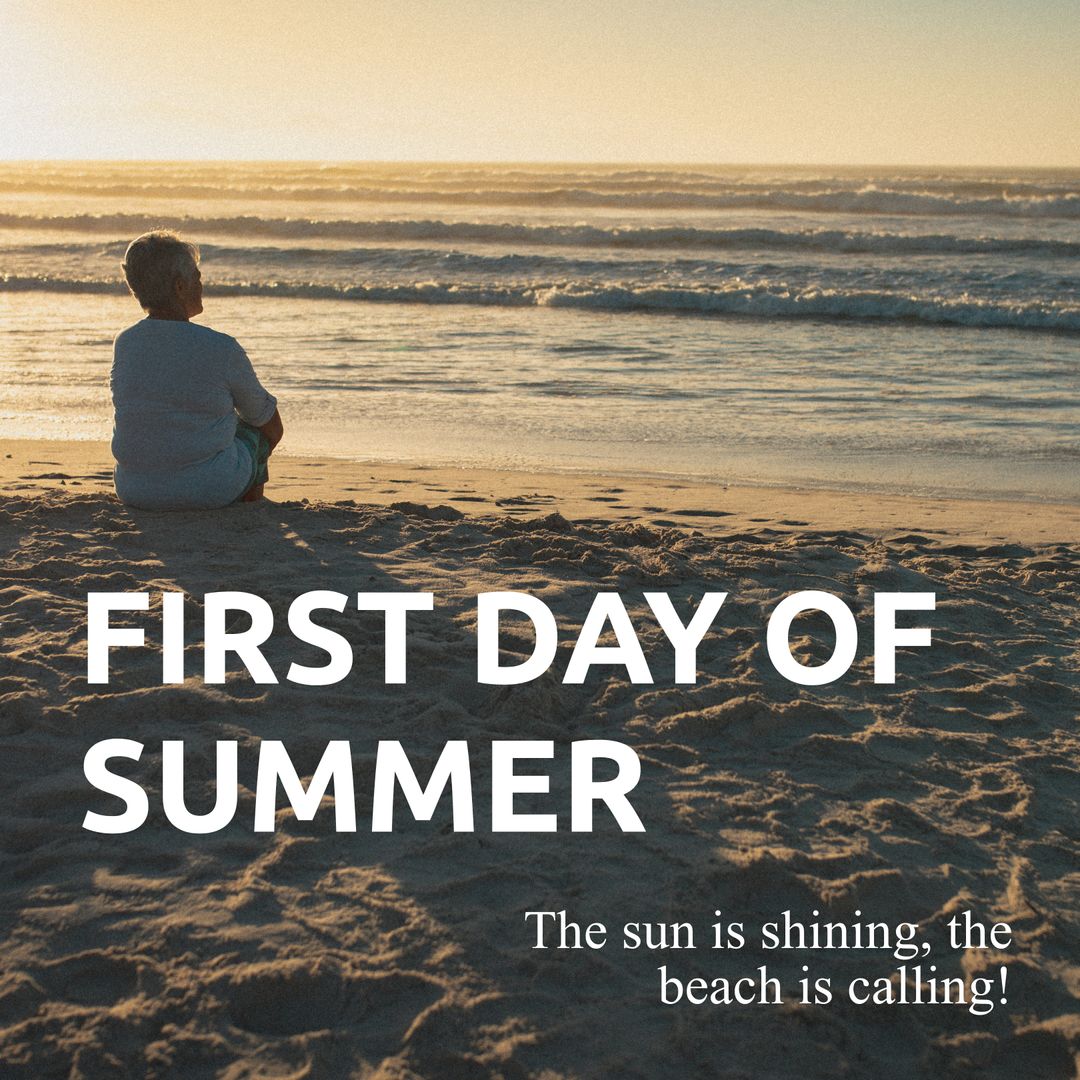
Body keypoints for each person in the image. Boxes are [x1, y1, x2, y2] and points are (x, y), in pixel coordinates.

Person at [110, 230, 283, 509]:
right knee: (256, 428)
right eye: (197, 277)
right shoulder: (221, 348)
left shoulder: (125, 342)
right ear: (180, 287)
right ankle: (250, 500)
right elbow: (269, 423)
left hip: (134, 489)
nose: (201, 284)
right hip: (209, 489)